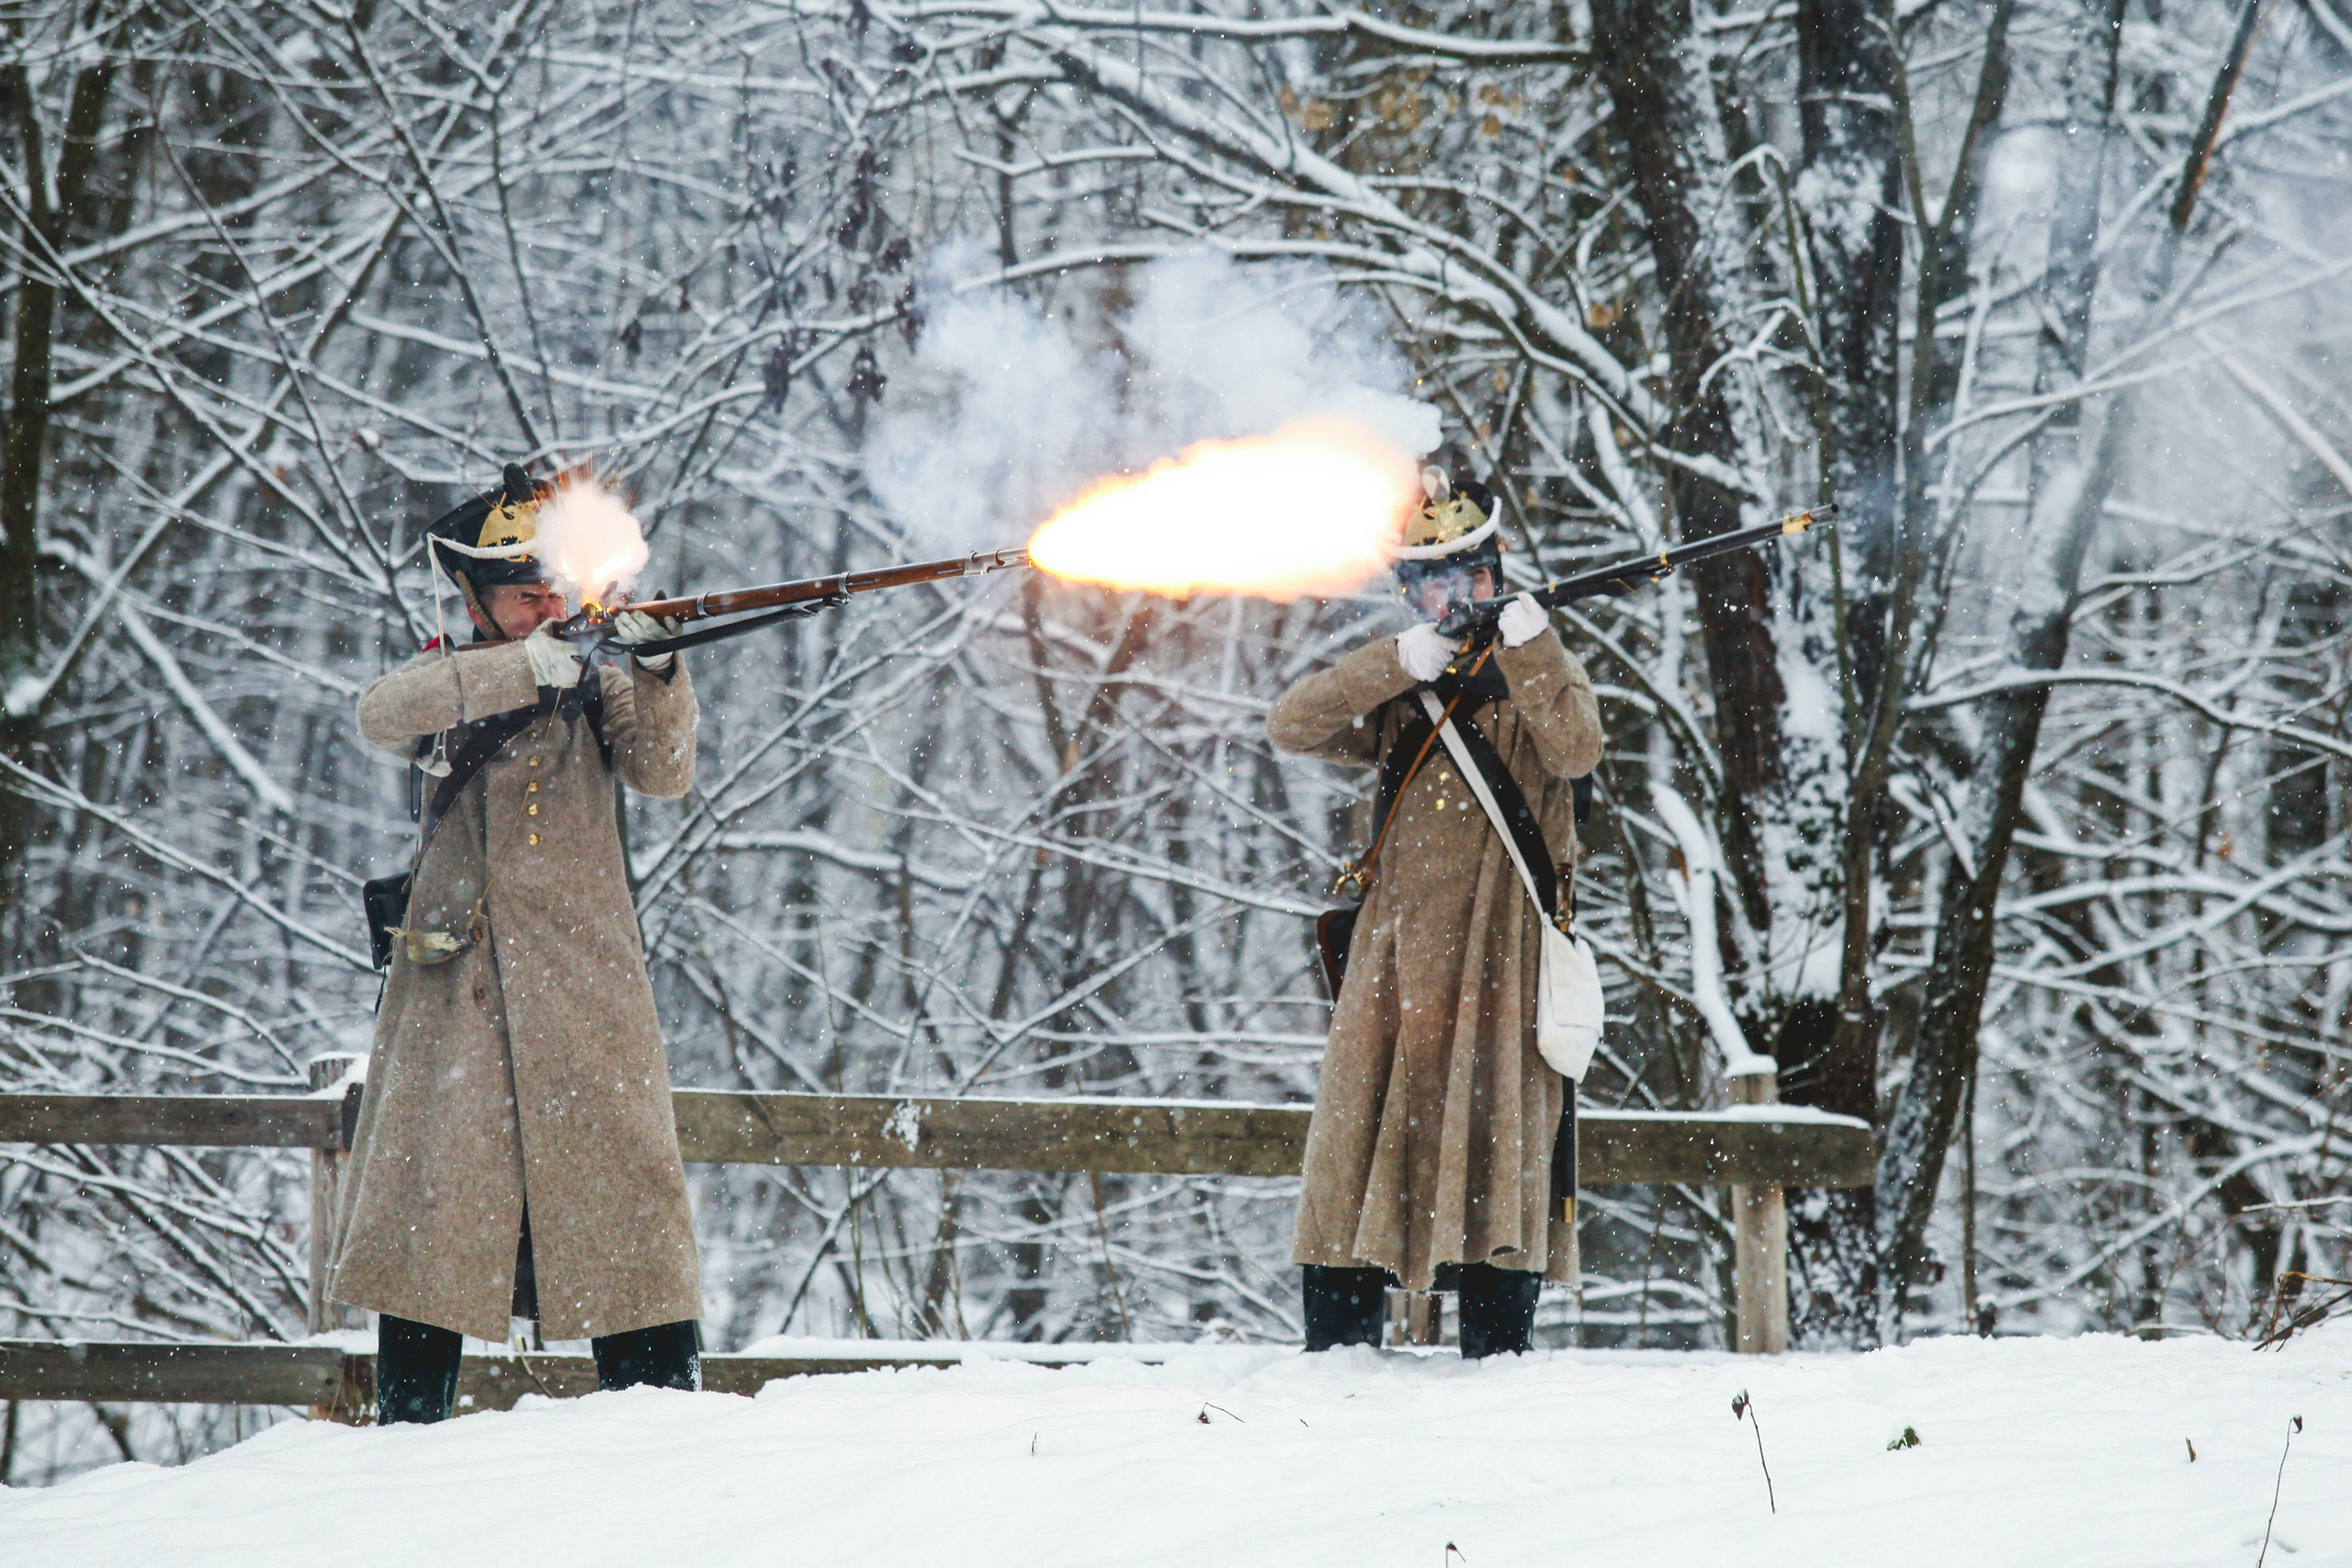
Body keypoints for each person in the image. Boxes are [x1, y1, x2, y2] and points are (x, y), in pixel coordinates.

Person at [330, 465, 705, 1423]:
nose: (546, 608)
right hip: (459, 1002)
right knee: (433, 1226)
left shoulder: (598, 683)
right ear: (477, 602)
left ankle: (663, 1430)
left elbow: (665, 772)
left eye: (553, 591)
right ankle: (409, 1436)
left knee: (627, 1224)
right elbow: (381, 713)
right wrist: (524, 668)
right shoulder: (449, 680)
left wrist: (659, 669)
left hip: (585, 996)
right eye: (524, 594)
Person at [1268, 467, 1603, 1358]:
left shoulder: (1539, 672)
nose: (1454, 599)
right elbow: (1290, 725)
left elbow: (1576, 749)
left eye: (1471, 576)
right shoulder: (1405, 682)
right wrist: (1392, 663)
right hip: (1394, 961)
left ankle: (1494, 1361)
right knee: (1353, 1150)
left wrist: (1533, 649)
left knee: (1498, 1155)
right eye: (1432, 583)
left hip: (1502, 958)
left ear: (1498, 573)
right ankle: (1337, 1356)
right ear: (1410, 594)